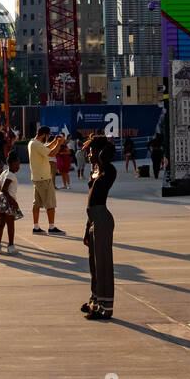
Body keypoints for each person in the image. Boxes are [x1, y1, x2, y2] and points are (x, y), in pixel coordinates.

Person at [82, 136, 117, 320]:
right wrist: (86, 229)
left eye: (92, 151)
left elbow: (97, 198)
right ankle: (94, 301)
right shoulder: (95, 170)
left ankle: (105, 307)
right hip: (94, 220)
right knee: (94, 265)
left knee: (103, 265)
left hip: (102, 219)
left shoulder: (109, 170)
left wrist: (104, 154)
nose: (88, 154)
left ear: (100, 153)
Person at [27, 126, 66, 236]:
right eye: (48, 135)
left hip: (37, 177)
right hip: (44, 178)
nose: (48, 138)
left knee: (37, 204)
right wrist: (59, 143)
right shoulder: (36, 144)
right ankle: (52, 227)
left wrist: (54, 142)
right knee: (50, 203)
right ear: (44, 134)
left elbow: (46, 148)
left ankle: (36, 227)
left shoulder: (33, 143)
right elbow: (51, 153)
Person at [0, 152, 22, 253]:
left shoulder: (4, 172)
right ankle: (10, 246)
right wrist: (13, 201)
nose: (19, 166)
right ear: (11, 164)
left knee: (0, 224)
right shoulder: (11, 175)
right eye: (17, 164)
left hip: (0, 199)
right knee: (10, 224)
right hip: (8, 200)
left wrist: (1, 192)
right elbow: (5, 189)